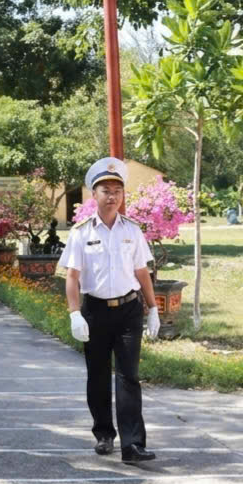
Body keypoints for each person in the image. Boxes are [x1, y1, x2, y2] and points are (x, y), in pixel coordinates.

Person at [59, 157, 161, 463]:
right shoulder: (81, 232)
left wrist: (153, 308)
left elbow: (142, 272)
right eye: (105, 190)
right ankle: (104, 434)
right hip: (96, 312)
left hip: (128, 310)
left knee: (129, 376)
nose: (112, 196)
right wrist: (74, 313)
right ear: (94, 194)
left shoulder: (132, 230)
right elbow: (72, 277)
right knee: (98, 376)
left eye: (117, 190)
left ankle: (133, 444)